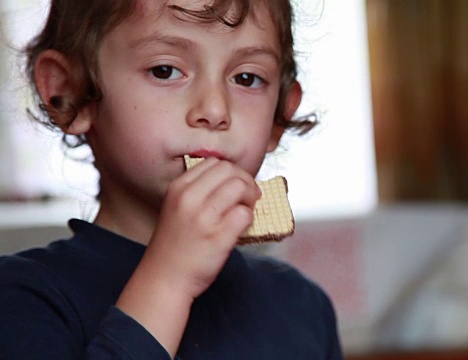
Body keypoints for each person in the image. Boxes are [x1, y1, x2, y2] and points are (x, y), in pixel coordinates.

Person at [0, 0, 343, 359]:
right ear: (68, 92)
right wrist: (169, 281)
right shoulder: (25, 298)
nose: (214, 109)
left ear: (279, 115)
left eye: (246, 78)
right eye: (165, 70)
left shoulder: (303, 308)